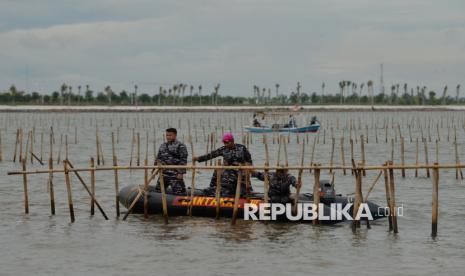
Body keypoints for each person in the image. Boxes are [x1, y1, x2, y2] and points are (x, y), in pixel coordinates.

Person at [155, 128, 188, 195]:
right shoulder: (163, 145)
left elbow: (183, 160)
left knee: (179, 193)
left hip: (175, 174)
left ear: (175, 135)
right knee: (158, 192)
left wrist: (181, 173)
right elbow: (158, 158)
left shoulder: (180, 146)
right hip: (163, 174)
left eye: (170, 135)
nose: (168, 137)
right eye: (167, 135)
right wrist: (154, 169)